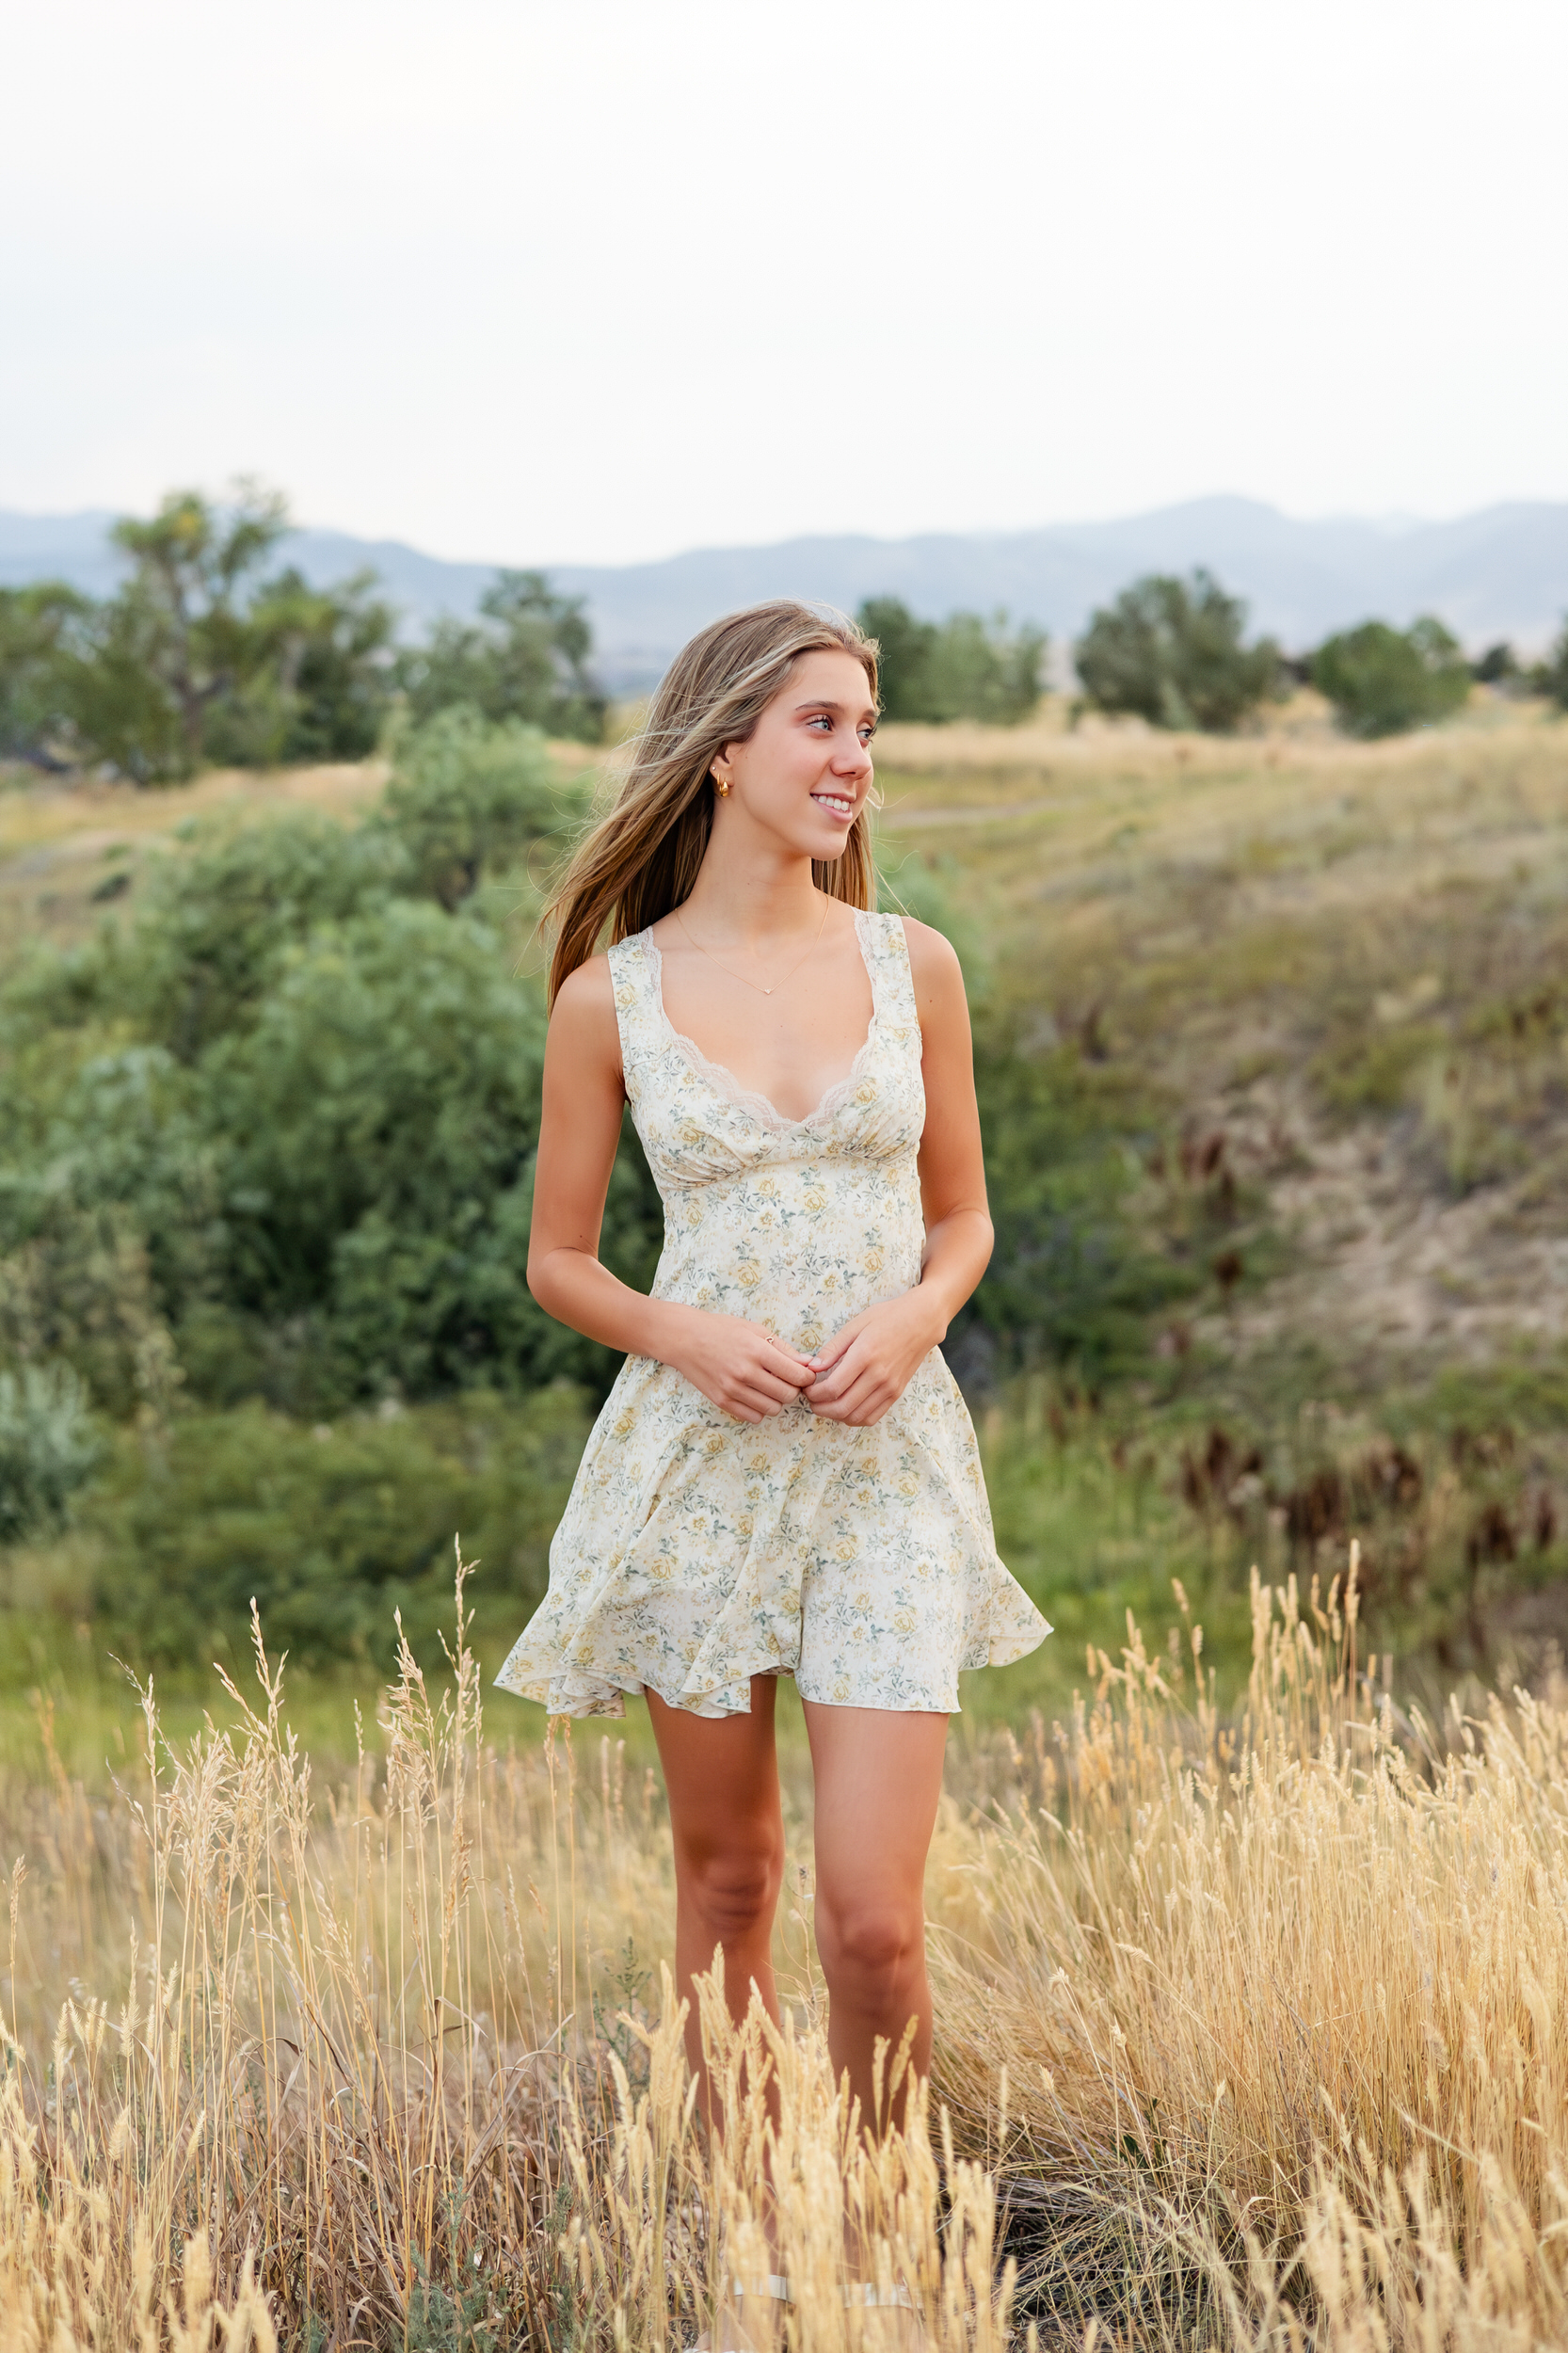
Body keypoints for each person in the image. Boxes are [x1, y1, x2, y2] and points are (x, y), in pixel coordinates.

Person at [496, 600, 1049, 2327]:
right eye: (821, 724)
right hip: (700, 1470)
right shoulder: (610, 998)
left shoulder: (911, 964)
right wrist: (681, 1333)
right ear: (723, 750)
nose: (853, 758)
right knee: (728, 1879)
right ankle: (758, 2260)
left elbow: (962, 1218)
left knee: (872, 1922)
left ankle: (882, 2259)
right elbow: (558, 1261)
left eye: (866, 727)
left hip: (885, 1466)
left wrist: (919, 1315)